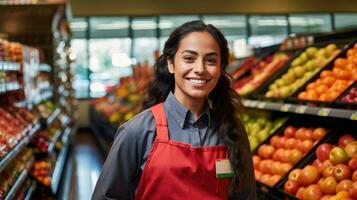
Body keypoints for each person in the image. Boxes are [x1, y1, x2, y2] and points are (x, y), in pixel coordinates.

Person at [92, 20, 256, 200]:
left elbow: (246, 196)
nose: (200, 69)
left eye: (210, 60)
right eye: (189, 58)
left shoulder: (232, 131)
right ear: (171, 63)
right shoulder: (137, 131)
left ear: (220, 69)